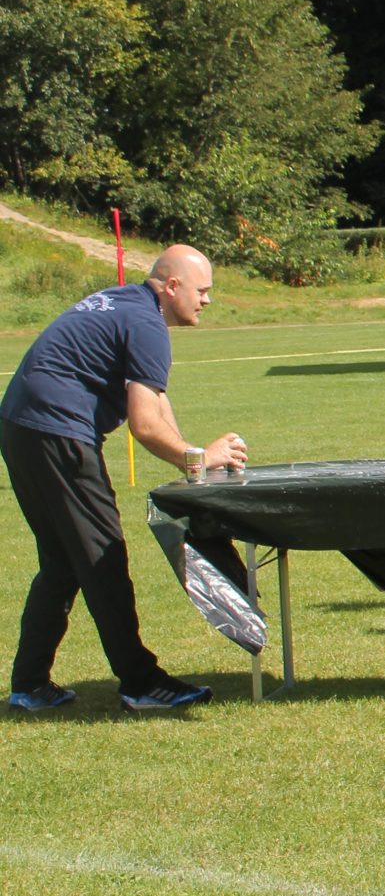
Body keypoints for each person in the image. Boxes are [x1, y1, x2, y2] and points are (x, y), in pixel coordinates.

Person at [4, 246, 245, 713]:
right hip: (57, 432)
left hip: (21, 427)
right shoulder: (146, 323)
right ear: (171, 286)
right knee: (103, 558)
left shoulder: (124, 303)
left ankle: (29, 685)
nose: (207, 300)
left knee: (62, 563)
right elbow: (145, 425)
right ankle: (141, 682)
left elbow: (158, 405)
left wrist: (194, 461)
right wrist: (200, 458)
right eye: (202, 290)